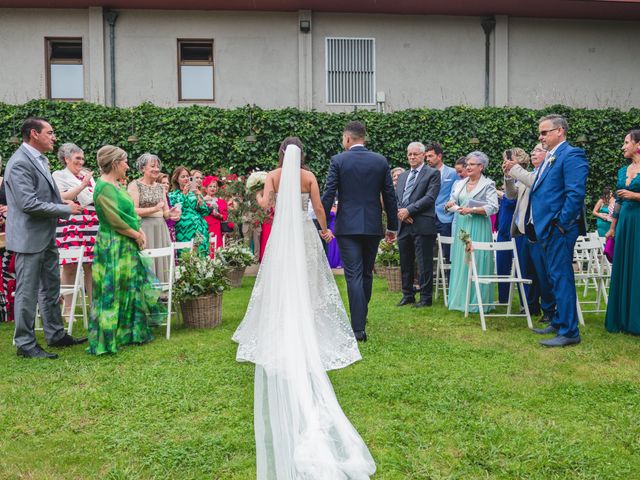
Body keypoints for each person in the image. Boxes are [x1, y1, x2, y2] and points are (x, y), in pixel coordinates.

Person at [233, 140, 376, 479]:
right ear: (302, 155)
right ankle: (307, 317)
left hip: (283, 235)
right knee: (311, 280)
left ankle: (284, 316)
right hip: (303, 231)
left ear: (281, 154)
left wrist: (259, 195)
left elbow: (266, 206)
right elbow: (319, 209)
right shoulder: (309, 176)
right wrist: (325, 230)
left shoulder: (273, 175)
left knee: (280, 277)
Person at [5, 117, 85, 359]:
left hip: (46, 235)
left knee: (51, 288)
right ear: (33, 134)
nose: (54, 137)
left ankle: (56, 334)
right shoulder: (19, 162)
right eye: (49, 132)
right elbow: (27, 203)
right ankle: (25, 344)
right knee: (27, 292)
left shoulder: (40, 159)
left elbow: (44, 195)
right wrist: (65, 210)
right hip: (28, 239)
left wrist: (62, 202)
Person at [322, 121, 398, 342]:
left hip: (347, 226)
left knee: (353, 274)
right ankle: (360, 319)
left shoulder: (338, 160)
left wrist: (323, 223)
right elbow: (390, 196)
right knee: (365, 273)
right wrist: (392, 226)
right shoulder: (380, 161)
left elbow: (328, 194)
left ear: (347, 138)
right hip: (373, 226)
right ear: (364, 137)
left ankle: (357, 328)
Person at [88, 146, 164, 355]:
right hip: (112, 243)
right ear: (115, 163)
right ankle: (108, 338)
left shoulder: (117, 185)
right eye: (125, 161)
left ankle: (129, 333)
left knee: (130, 287)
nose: (128, 166)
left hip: (126, 242)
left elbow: (128, 211)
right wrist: (137, 234)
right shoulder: (103, 187)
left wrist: (139, 230)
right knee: (112, 290)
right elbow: (114, 220)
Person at [525, 114, 588, 347]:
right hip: (546, 228)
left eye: (544, 132)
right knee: (554, 277)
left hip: (559, 229)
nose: (541, 137)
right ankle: (560, 321)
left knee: (561, 278)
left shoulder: (571, 155)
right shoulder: (551, 157)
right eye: (540, 133)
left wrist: (561, 223)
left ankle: (570, 332)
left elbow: (575, 194)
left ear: (559, 131)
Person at [503, 143, 556, 323]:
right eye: (532, 151)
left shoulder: (547, 173)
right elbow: (511, 195)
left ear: (548, 155)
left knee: (543, 272)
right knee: (528, 271)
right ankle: (530, 306)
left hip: (540, 230)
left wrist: (515, 168)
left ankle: (549, 310)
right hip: (524, 230)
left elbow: (534, 183)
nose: (533, 153)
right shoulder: (529, 175)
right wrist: (508, 176)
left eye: (538, 150)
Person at [445, 151, 498, 313]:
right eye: (467, 164)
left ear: (481, 167)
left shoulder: (488, 184)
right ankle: (460, 300)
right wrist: (450, 204)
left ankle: (478, 301)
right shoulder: (460, 183)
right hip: (461, 225)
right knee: (461, 261)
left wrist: (473, 209)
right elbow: (453, 199)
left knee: (477, 260)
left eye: (472, 164)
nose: (468, 167)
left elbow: (493, 206)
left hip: (478, 226)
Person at [52, 143, 98, 313]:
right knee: (70, 265)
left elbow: (94, 196)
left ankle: (94, 307)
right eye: (78, 158)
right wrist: (82, 185)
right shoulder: (58, 175)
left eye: (83, 158)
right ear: (66, 159)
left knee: (91, 265)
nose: (81, 161)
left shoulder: (87, 175)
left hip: (92, 223)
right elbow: (59, 196)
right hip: (70, 224)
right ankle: (68, 310)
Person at [395, 142, 440, 308]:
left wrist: (409, 210)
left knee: (423, 262)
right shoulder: (402, 176)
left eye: (415, 154)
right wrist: (402, 212)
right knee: (405, 261)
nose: (412, 157)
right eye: (409, 154)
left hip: (422, 223)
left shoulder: (432, 174)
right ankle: (407, 294)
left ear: (423, 155)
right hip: (404, 224)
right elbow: (396, 198)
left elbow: (430, 198)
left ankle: (425, 297)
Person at [604, 129, 640, 334]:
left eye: (627, 142)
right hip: (625, 221)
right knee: (624, 264)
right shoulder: (622, 171)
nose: (623, 146)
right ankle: (621, 318)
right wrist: (612, 227)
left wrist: (635, 196)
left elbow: (628, 196)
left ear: (638, 144)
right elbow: (617, 201)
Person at [128, 153, 179, 282]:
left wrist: (171, 214)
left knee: (160, 259)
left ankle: (162, 293)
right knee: (146, 260)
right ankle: (146, 294)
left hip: (160, 228)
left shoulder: (161, 187)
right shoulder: (134, 185)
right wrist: (154, 209)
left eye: (158, 166)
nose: (156, 169)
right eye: (152, 166)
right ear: (143, 168)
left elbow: (165, 212)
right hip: (143, 228)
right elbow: (132, 211)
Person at [495, 148, 527, 303]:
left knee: (520, 264)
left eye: (509, 159)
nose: (506, 162)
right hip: (504, 224)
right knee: (502, 262)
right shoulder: (509, 178)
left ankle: (524, 301)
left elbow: (512, 199)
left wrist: (500, 194)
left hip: (516, 226)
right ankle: (503, 298)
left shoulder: (524, 178)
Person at [426, 142, 457, 264]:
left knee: (448, 252)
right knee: (426, 251)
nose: (428, 159)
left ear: (439, 156)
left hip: (445, 217)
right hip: (427, 216)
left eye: (431, 156)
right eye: (426, 156)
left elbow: (456, 192)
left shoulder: (453, 173)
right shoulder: (424, 173)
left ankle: (451, 282)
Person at [168, 166, 210, 255]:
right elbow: (176, 210)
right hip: (184, 230)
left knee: (201, 256)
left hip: (200, 230)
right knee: (185, 256)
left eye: (187, 176)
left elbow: (205, 212)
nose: (186, 178)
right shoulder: (172, 195)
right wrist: (184, 194)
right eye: (183, 177)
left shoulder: (195, 193)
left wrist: (199, 196)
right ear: (176, 179)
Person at [202, 175, 228, 254]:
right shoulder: (201, 200)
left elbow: (225, 216)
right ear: (206, 188)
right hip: (204, 226)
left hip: (216, 227)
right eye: (210, 186)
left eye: (215, 186)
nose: (213, 188)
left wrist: (219, 215)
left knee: (216, 248)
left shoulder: (221, 202)